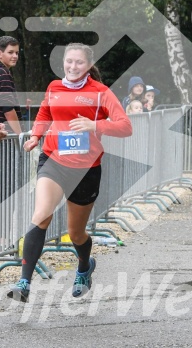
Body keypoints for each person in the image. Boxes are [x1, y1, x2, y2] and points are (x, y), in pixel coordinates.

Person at [7, 42, 132, 302]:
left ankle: (85, 266)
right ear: (63, 62)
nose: (73, 67)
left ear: (88, 66)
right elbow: (45, 112)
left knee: (75, 232)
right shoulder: (54, 87)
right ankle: (24, 283)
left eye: (79, 62)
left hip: (86, 168)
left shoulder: (100, 92)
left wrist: (93, 124)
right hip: (53, 159)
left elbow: (125, 126)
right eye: (69, 61)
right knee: (41, 215)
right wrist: (36, 136)